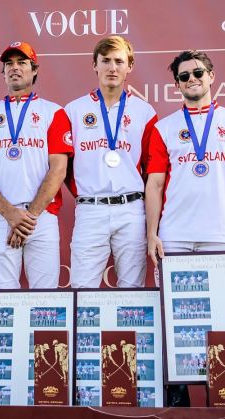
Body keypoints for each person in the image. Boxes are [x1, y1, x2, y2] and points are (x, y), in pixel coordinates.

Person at [145, 50, 225, 406]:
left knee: (222, 320)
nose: (192, 80)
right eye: (184, 77)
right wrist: (152, 233)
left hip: (220, 236)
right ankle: (176, 401)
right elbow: (155, 184)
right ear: (176, 85)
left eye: (197, 73)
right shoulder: (164, 127)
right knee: (175, 321)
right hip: (173, 238)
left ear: (211, 75)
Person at [0, 41, 73, 288]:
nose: (15, 68)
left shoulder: (54, 112)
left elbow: (58, 170)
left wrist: (28, 217)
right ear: (3, 72)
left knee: (46, 300)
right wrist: (10, 214)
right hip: (0, 216)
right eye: (9, 64)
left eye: (22, 62)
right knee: (4, 300)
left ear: (34, 69)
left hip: (41, 216)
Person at [64, 36, 157, 288]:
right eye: (105, 61)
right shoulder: (73, 110)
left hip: (132, 209)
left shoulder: (145, 112)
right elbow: (64, 168)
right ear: (94, 65)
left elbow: (153, 171)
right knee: (82, 289)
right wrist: (85, 193)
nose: (112, 68)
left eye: (119, 61)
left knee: (132, 289)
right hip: (90, 209)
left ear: (130, 66)